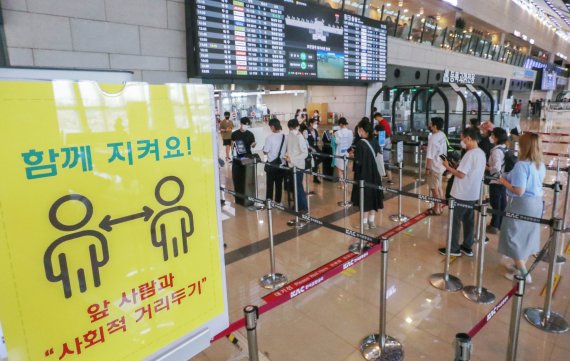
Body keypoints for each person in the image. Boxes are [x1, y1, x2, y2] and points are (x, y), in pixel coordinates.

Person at [498, 133, 545, 283]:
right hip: (537, 203)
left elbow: (519, 190)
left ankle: (524, 274)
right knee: (525, 236)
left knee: (511, 235)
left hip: (522, 204)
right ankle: (519, 266)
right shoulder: (539, 164)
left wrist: (503, 182)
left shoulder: (521, 165)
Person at [439, 127, 486, 257]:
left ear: (468, 139)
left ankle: (454, 248)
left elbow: (461, 175)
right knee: (468, 221)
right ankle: (467, 246)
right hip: (472, 194)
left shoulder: (469, 155)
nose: (462, 142)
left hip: (461, 193)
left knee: (455, 222)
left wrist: (448, 167)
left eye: (462, 139)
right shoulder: (481, 153)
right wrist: (456, 166)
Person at [351, 119, 384, 230]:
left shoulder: (360, 143)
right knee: (373, 196)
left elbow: (358, 162)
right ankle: (371, 221)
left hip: (364, 175)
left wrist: (353, 158)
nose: (358, 131)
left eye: (359, 129)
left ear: (363, 130)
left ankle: (364, 223)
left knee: (364, 197)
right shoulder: (374, 140)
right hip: (375, 174)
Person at [486, 127, 509, 234]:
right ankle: (500, 224)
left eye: (492, 135)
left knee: (496, 204)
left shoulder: (496, 151)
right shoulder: (505, 148)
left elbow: (496, 168)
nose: (491, 137)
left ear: (496, 138)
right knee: (502, 203)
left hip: (496, 181)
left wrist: (486, 168)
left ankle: (494, 225)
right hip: (504, 180)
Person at [285, 118, 308, 213]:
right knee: (294, 186)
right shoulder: (290, 135)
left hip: (298, 166)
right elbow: (290, 148)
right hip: (291, 165)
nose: (292, 130)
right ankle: (298, 205)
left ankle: (303, 207)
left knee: (298, 186)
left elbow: (305, 154)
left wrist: (293, 159)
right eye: (290, 128)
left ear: (297, 127)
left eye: (293, 128)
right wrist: (286, 155)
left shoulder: (300, 137)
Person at [231, 117, 256, 205]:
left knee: (247, 178)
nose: (246, 126)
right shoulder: (234, 134)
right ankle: (239, 198)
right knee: (237, 178)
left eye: (248, 125)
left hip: (247, 159)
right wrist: (232, 155)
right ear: (240, 124)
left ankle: (248, 198)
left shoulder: (250, 134)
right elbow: (232, 146)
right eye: (245, 124)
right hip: (237, 159)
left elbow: (253, 145)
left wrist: (254, 144)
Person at [425, 117, 447, 215]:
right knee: (438, 187)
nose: (429, 125)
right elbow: (439, 150)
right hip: (441, 165)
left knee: (434, 189)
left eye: (431, 123)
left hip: (434, 167)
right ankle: (440, 207)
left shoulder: (432, 138)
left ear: (435, 126)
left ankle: (436, 209)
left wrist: (427, 169)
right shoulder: (442, 135)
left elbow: (429, 157)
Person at [263, 118, 286, 204]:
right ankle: (278, 201)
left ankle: (269, 201)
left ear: (273, 126)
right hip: (282, 164)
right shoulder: (285, 137)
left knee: (270, 184)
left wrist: (264, 150)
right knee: (279, 184)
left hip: (271, 165)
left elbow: (266, 151)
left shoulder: (269, 138)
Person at [334, 117, 354, 189]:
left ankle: (342, 185)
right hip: (346, 151)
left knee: (340, 169)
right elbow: (350, 142)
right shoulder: (350, 132)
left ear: (341, 124)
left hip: (339, 152)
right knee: (345, 168)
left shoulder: (337, 133)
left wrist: (334, 138)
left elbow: (337, 142)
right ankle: (345, 184)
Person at [304, 117, 322, 183]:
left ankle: (314, 165)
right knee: (314, 158)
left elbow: (317, 138)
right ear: (311, 123)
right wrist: (312, 148)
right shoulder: (306, 131)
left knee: (322, 157)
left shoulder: (315, 130)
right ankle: (315, 177)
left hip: (316, 147)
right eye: (314, 123)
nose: (315, 124)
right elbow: (305, 143)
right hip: (309, 148)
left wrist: (318, 139)